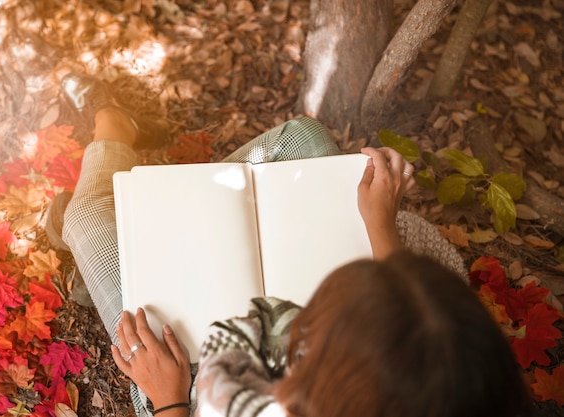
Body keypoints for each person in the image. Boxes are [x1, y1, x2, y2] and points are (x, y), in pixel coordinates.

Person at [50, 73, 530, 417]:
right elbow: (416, 332)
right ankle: (109, 227)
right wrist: (380, 227)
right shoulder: (461, 382)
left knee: (90, 214)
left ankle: (113, 128)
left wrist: (171, 400)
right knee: (302, 138)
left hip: (187, 375)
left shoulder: (236, 400)